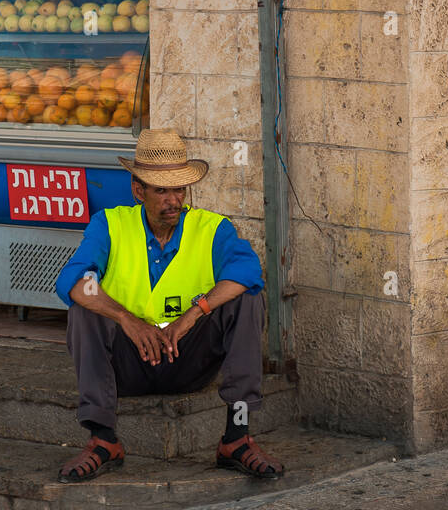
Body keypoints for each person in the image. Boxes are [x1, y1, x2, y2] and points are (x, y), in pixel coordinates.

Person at [55, 128, 285, 483]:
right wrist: (125, 318)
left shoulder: (212, 229)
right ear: (138, 190)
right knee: (85, 308)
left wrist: (195, 314)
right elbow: (72, 281)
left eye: (179, 189)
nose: (173, 200)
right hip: (127, 365)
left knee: (247, 298)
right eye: (161, 190)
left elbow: (249, 272)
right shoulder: (110, 225)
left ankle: (237, 438)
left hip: (187, 360)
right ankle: (103, 439)